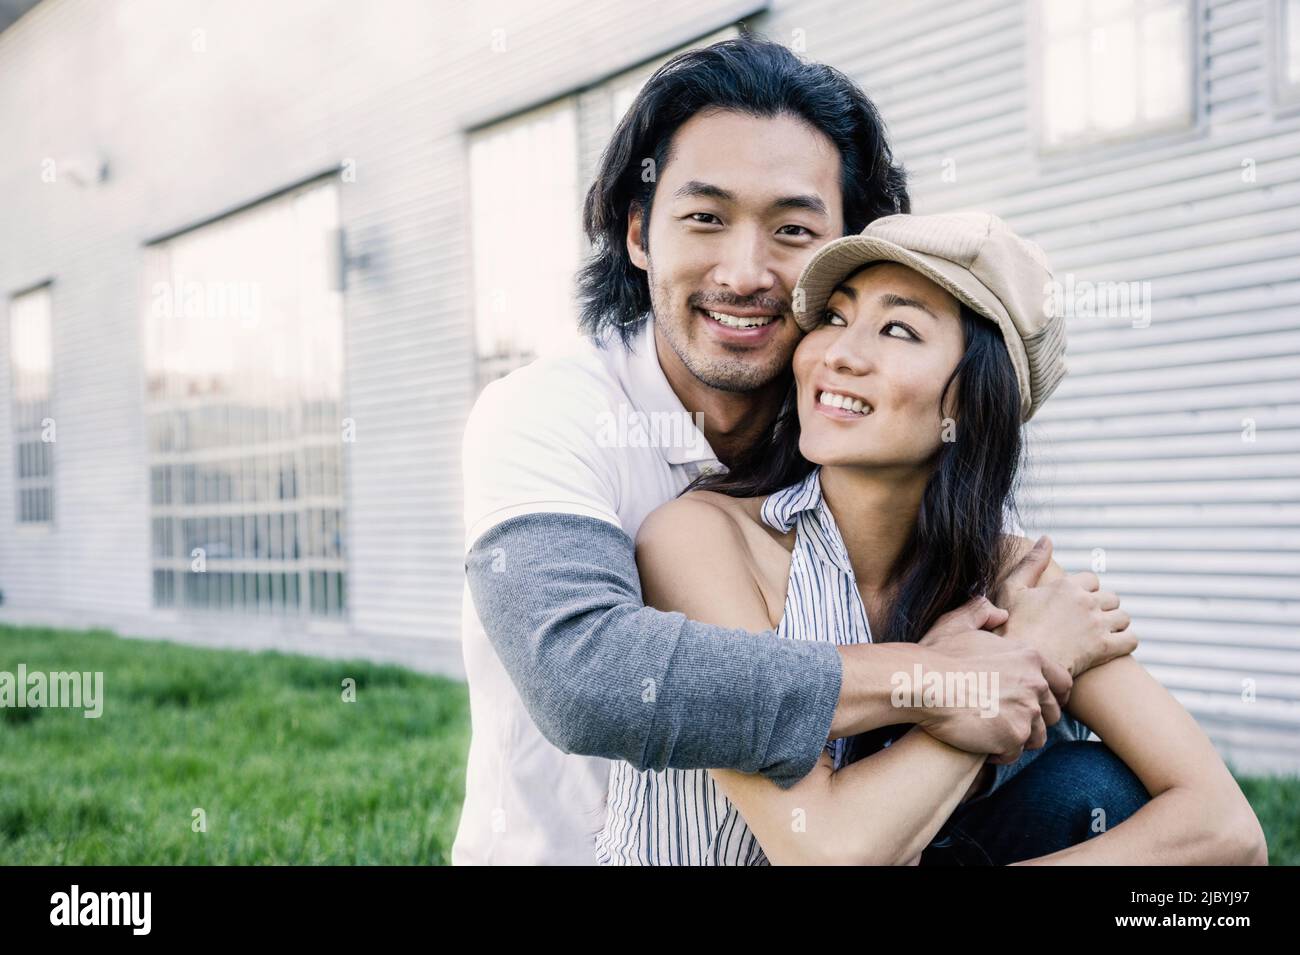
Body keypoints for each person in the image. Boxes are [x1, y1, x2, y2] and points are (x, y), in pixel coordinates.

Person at [455, 34, 1135, 866]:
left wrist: (1015, 646)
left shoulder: (837, 410)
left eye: (793, 229)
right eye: (704, 217)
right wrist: (937, 677)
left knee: (1085, 793)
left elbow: (1217, 824)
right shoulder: (546, 412)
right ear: (638, 234)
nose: (745, 272)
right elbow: (585, 677)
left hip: (838, 825)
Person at [595, 212, 1267, 865]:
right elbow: (824, 848)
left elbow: (1225, 828)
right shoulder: (702, 539)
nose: (840, 353)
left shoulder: (1012, 576)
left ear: (974, 401)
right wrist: (1007, 667)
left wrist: (1004, 663)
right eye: (834, 316)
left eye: (896, 329)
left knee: (1091, 788)